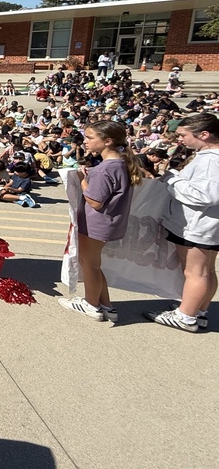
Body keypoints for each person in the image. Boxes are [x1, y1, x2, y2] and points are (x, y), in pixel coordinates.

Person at [58, 120, 141, 322]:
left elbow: (95, 202)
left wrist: (83, 179)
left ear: (107, 141)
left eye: (90, 137)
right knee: (93, 264)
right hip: (107, 223)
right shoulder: (119, 164)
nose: (85, 141)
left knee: (90, 265)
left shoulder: (106, 169)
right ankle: (106, 304)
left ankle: (91, 304)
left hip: (96, 223)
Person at [145, 113, 219, 332]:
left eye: (183, 135)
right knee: (206, 270)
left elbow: (206, 196)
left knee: (195, 272)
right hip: (206, 224)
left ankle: (185, 316)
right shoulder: (209, 156)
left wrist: (172, 179)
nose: (180, 140)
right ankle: (198, 310)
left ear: (204, 135)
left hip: (198, 224)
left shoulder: (211, 161)